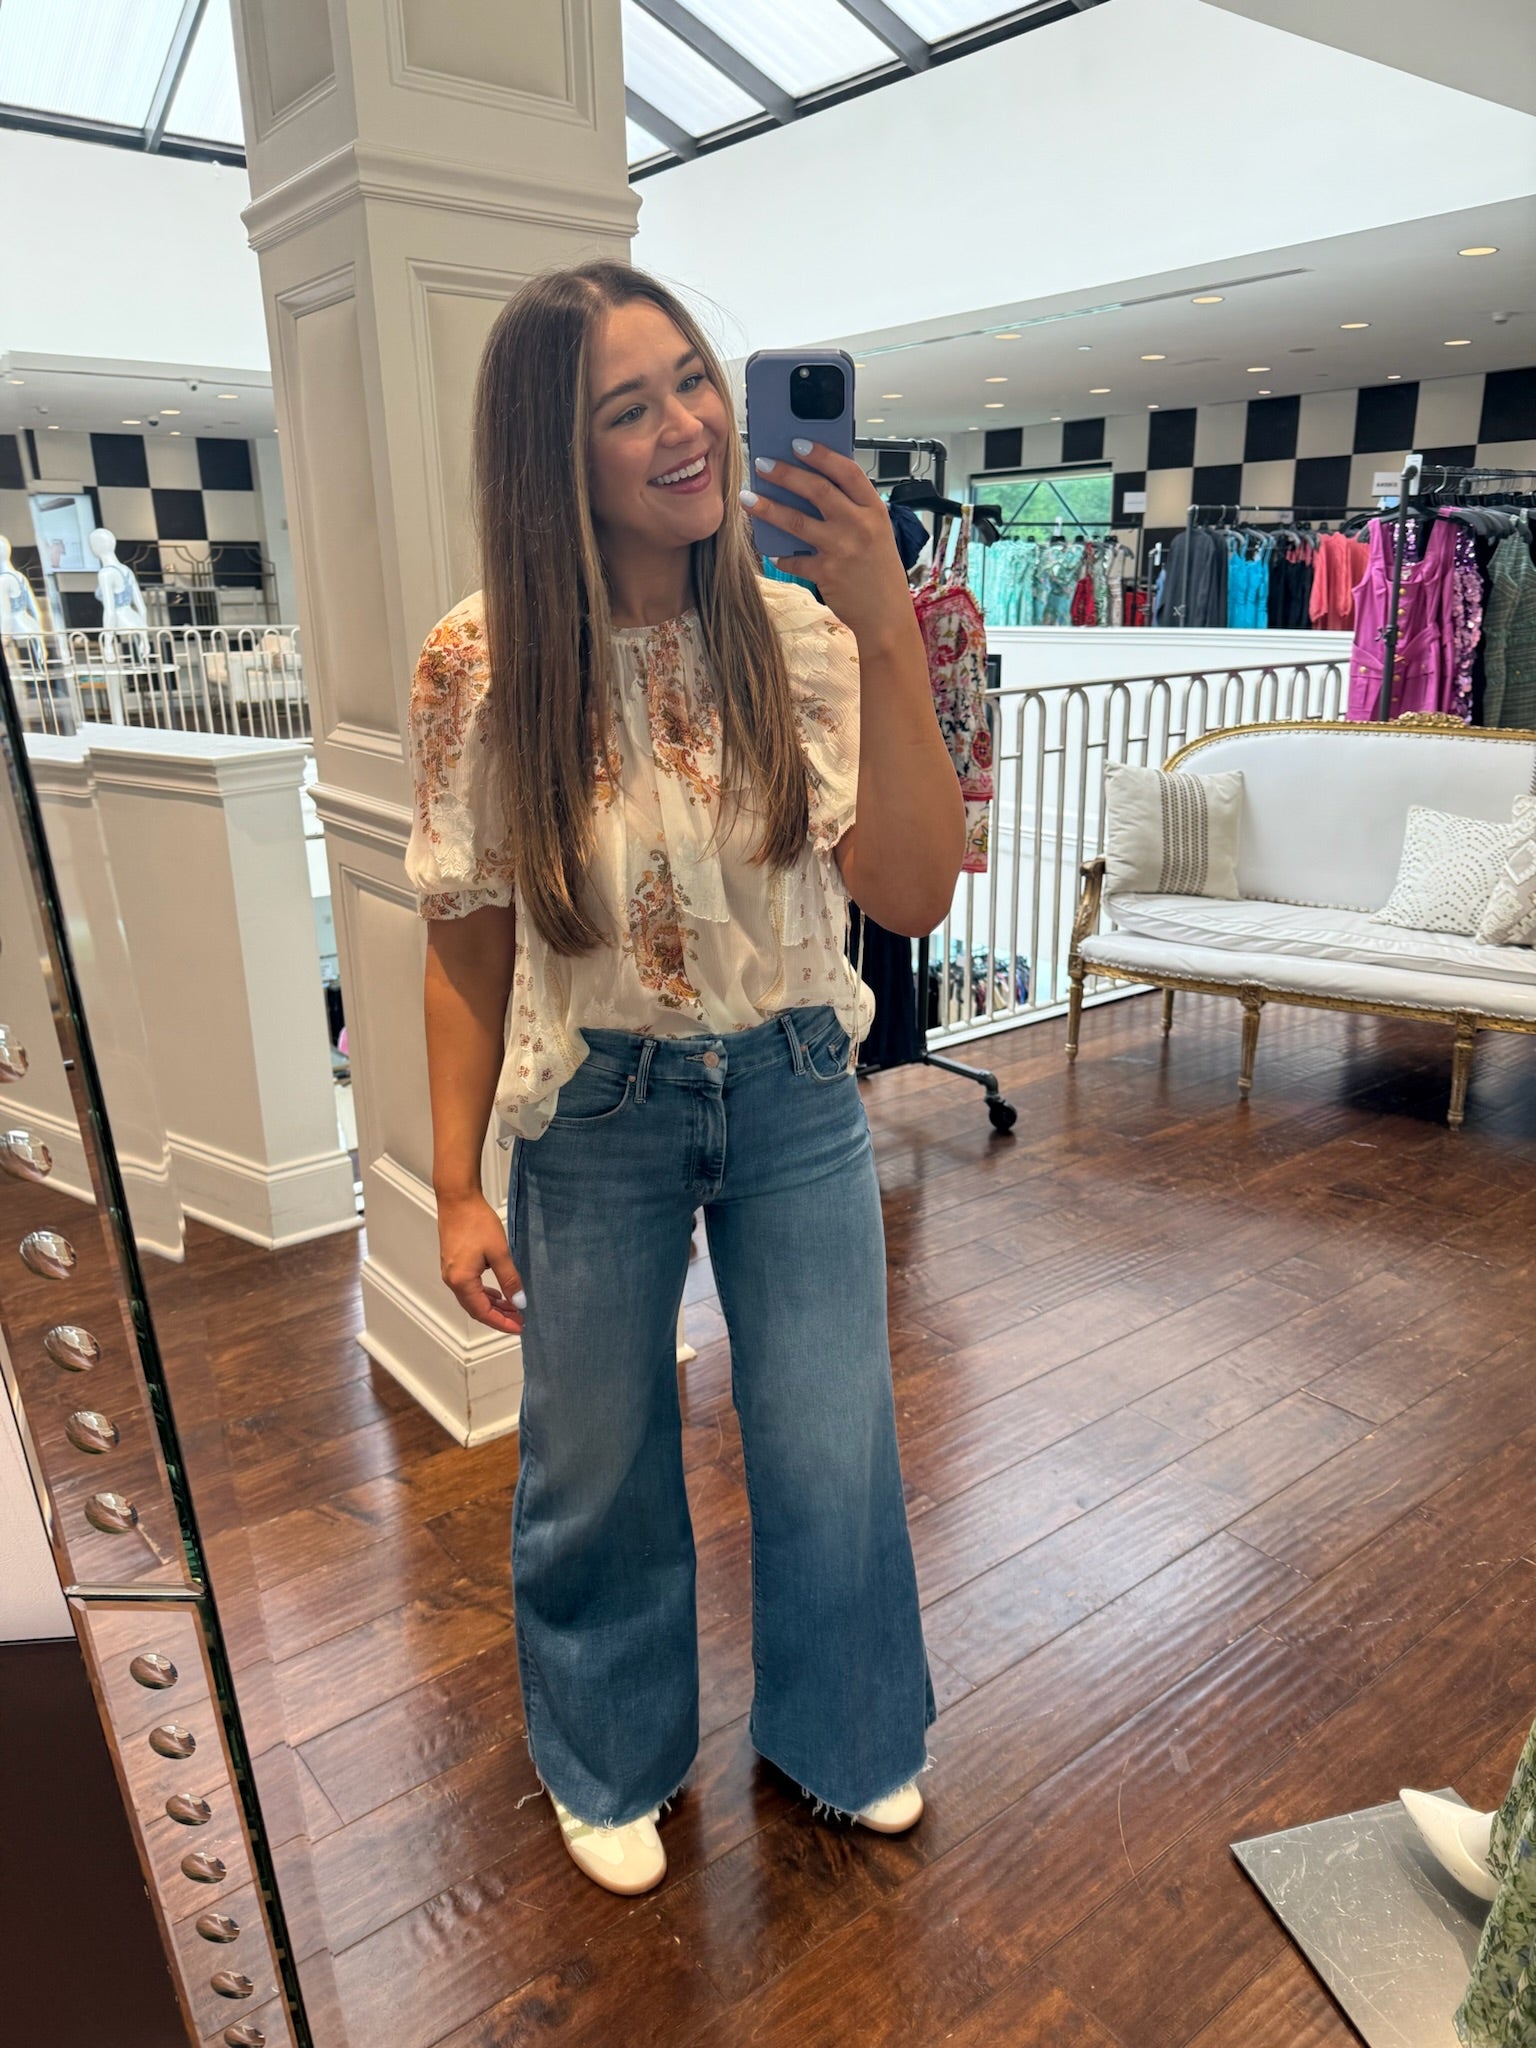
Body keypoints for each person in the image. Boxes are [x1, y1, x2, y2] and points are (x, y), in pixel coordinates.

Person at [405, 260, 964, 1897]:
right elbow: (466, 941)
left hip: (795, 1085)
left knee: (831, 1435)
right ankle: (608, 1753)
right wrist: (451, 1186)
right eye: (627, 408)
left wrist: (887, 627)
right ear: (551, 455)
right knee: (596, 1462)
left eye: (694, 382)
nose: (688, 428)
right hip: (594, 1109)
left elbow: (912, 895)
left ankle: (847, 1729)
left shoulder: (803, 638)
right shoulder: (480, 661)